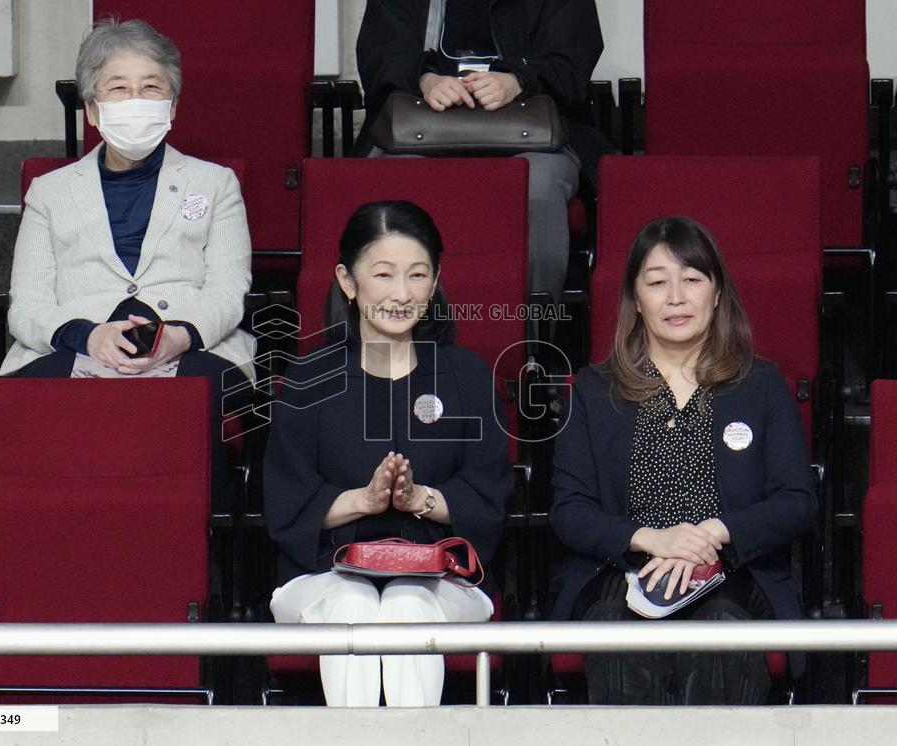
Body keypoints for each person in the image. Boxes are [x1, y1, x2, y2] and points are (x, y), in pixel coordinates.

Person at [550, 216, 817, 705]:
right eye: (657, 283)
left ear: (717, 294)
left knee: (720, 628)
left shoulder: (760, 384)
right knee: (615, 630)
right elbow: (570, 509)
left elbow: (796, 500)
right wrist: (652, 539)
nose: (675, 297)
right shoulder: (594, 390)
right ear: (635, 298)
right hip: (623, 573)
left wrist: (712, 533)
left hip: (731, 574)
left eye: (692, 279)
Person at [263, 200, 513, 707]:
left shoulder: (466, 375)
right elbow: (286, 503)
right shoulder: (309, 379)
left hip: (443, 579)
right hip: (323, 577)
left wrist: (420, 499)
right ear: (347, 281)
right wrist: (365, 501)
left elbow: (489, 497)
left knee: (405, 603)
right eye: (383, 274)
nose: (401, 294)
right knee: (354, 602)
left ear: (435, 282)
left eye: (417, 275)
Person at [0, 19, 255, 494]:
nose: (136, 100)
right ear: (91, 109)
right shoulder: (49, 193)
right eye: (118, 88)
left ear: (172, 106)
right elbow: (27, 306)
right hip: (75, 344)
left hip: (190, 344)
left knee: (197, 399)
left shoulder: (215, 184)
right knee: (35, 401)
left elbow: (228, 289)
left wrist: (180, 336)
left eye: (151, 87)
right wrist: (89, 338)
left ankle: (194, 533)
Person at [355, 0, 605, 301]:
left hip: (535, 135)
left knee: (538, 184)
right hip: (418, 132)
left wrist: (517, 80)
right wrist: (424, 79)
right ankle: (403, 317)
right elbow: (378, 55)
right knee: (398, 179)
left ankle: (533, 322)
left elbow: (573, 57)